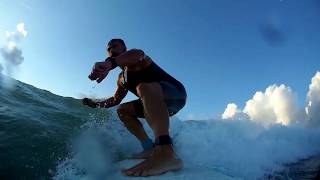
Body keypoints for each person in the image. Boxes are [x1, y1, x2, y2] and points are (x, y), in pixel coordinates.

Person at [83, 38, 187, 177]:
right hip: (156, 104)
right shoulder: (121, 78)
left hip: (175, 94)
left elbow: (136, 55)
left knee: (143, 86)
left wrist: (110, 63)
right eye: (109, 49)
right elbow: (115, 100)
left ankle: (166, 152)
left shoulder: (137, 57)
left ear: (124, 48)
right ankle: (149, 148)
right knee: (122, 110)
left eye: (115, 46)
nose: (112, 49)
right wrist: (96, 104)